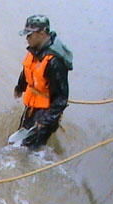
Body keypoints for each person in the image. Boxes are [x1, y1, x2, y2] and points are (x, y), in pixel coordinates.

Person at [14, 14, 73, 150]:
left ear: (41, 33)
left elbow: (61, 98)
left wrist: (45, 122)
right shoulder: (34, 50)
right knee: (19, 142)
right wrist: (20, 86)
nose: (26, 38)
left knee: (29, 149)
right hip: (32, 106)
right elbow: (28, 71)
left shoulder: (54, 62)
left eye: (29, 35)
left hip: (46, 112)